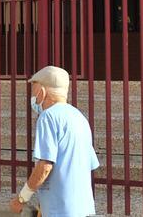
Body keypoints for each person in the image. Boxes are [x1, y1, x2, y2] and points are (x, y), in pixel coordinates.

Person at [9, 66, 101, 217]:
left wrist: (21, 199)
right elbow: (88, 164)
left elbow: (45, 166)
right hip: (84, 209)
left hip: (60, 210)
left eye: (34, 89)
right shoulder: (80, 118)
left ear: (42, 91)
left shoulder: (48, 117)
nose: (33, 96)